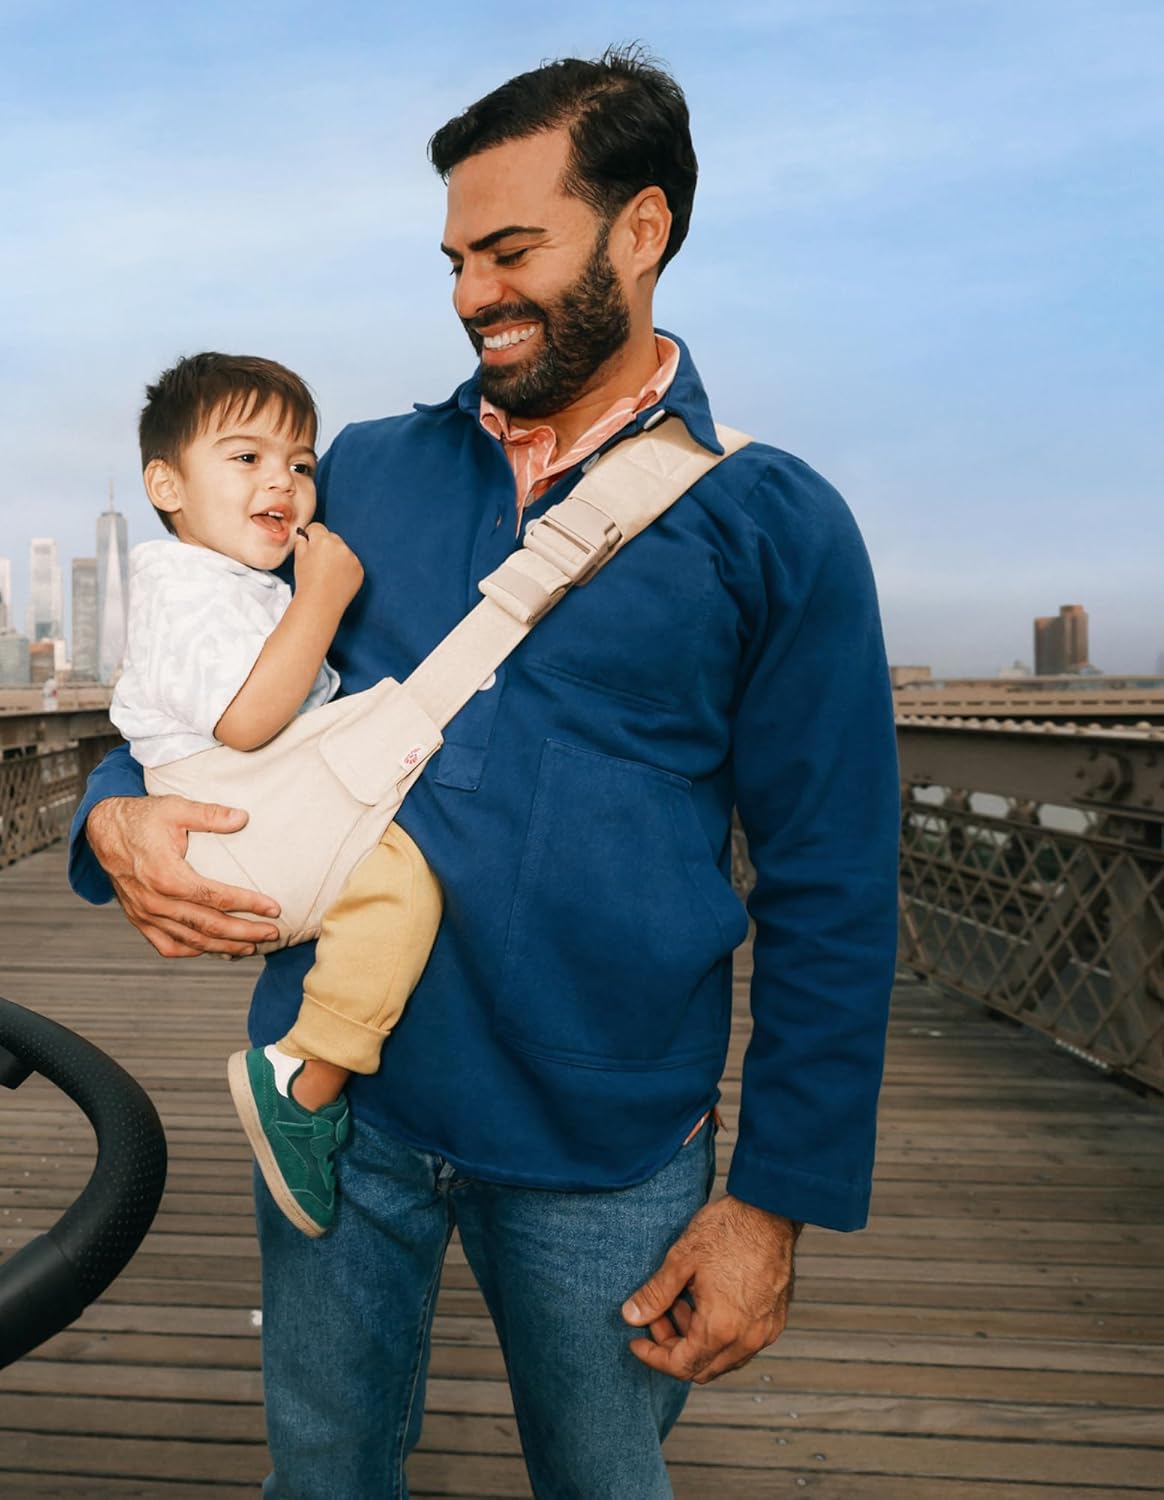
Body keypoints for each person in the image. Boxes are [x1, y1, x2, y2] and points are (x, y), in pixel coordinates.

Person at [70, 45, 900, 1499]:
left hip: (609, 1143)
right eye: (455, 257)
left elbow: (837, 882)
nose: (469, 295)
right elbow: (192, 678)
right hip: (338, 1105)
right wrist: (110, 818)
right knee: (321, 1482)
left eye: (511, 251)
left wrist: (772, 1206)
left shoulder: (777, 524)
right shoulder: (363, 473)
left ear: (640, 232)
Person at [108, 352, 443, 1237]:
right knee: (401, 881)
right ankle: (307, 1074)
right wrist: (323, 597)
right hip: (239, 810)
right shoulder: (187, 589)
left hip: (248, 805)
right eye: (246, 457)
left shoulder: (224, 583)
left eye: (300, 463)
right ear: (165, 483)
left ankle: (309, 1072)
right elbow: (252, 719)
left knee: (395, 882)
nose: (285, 482)